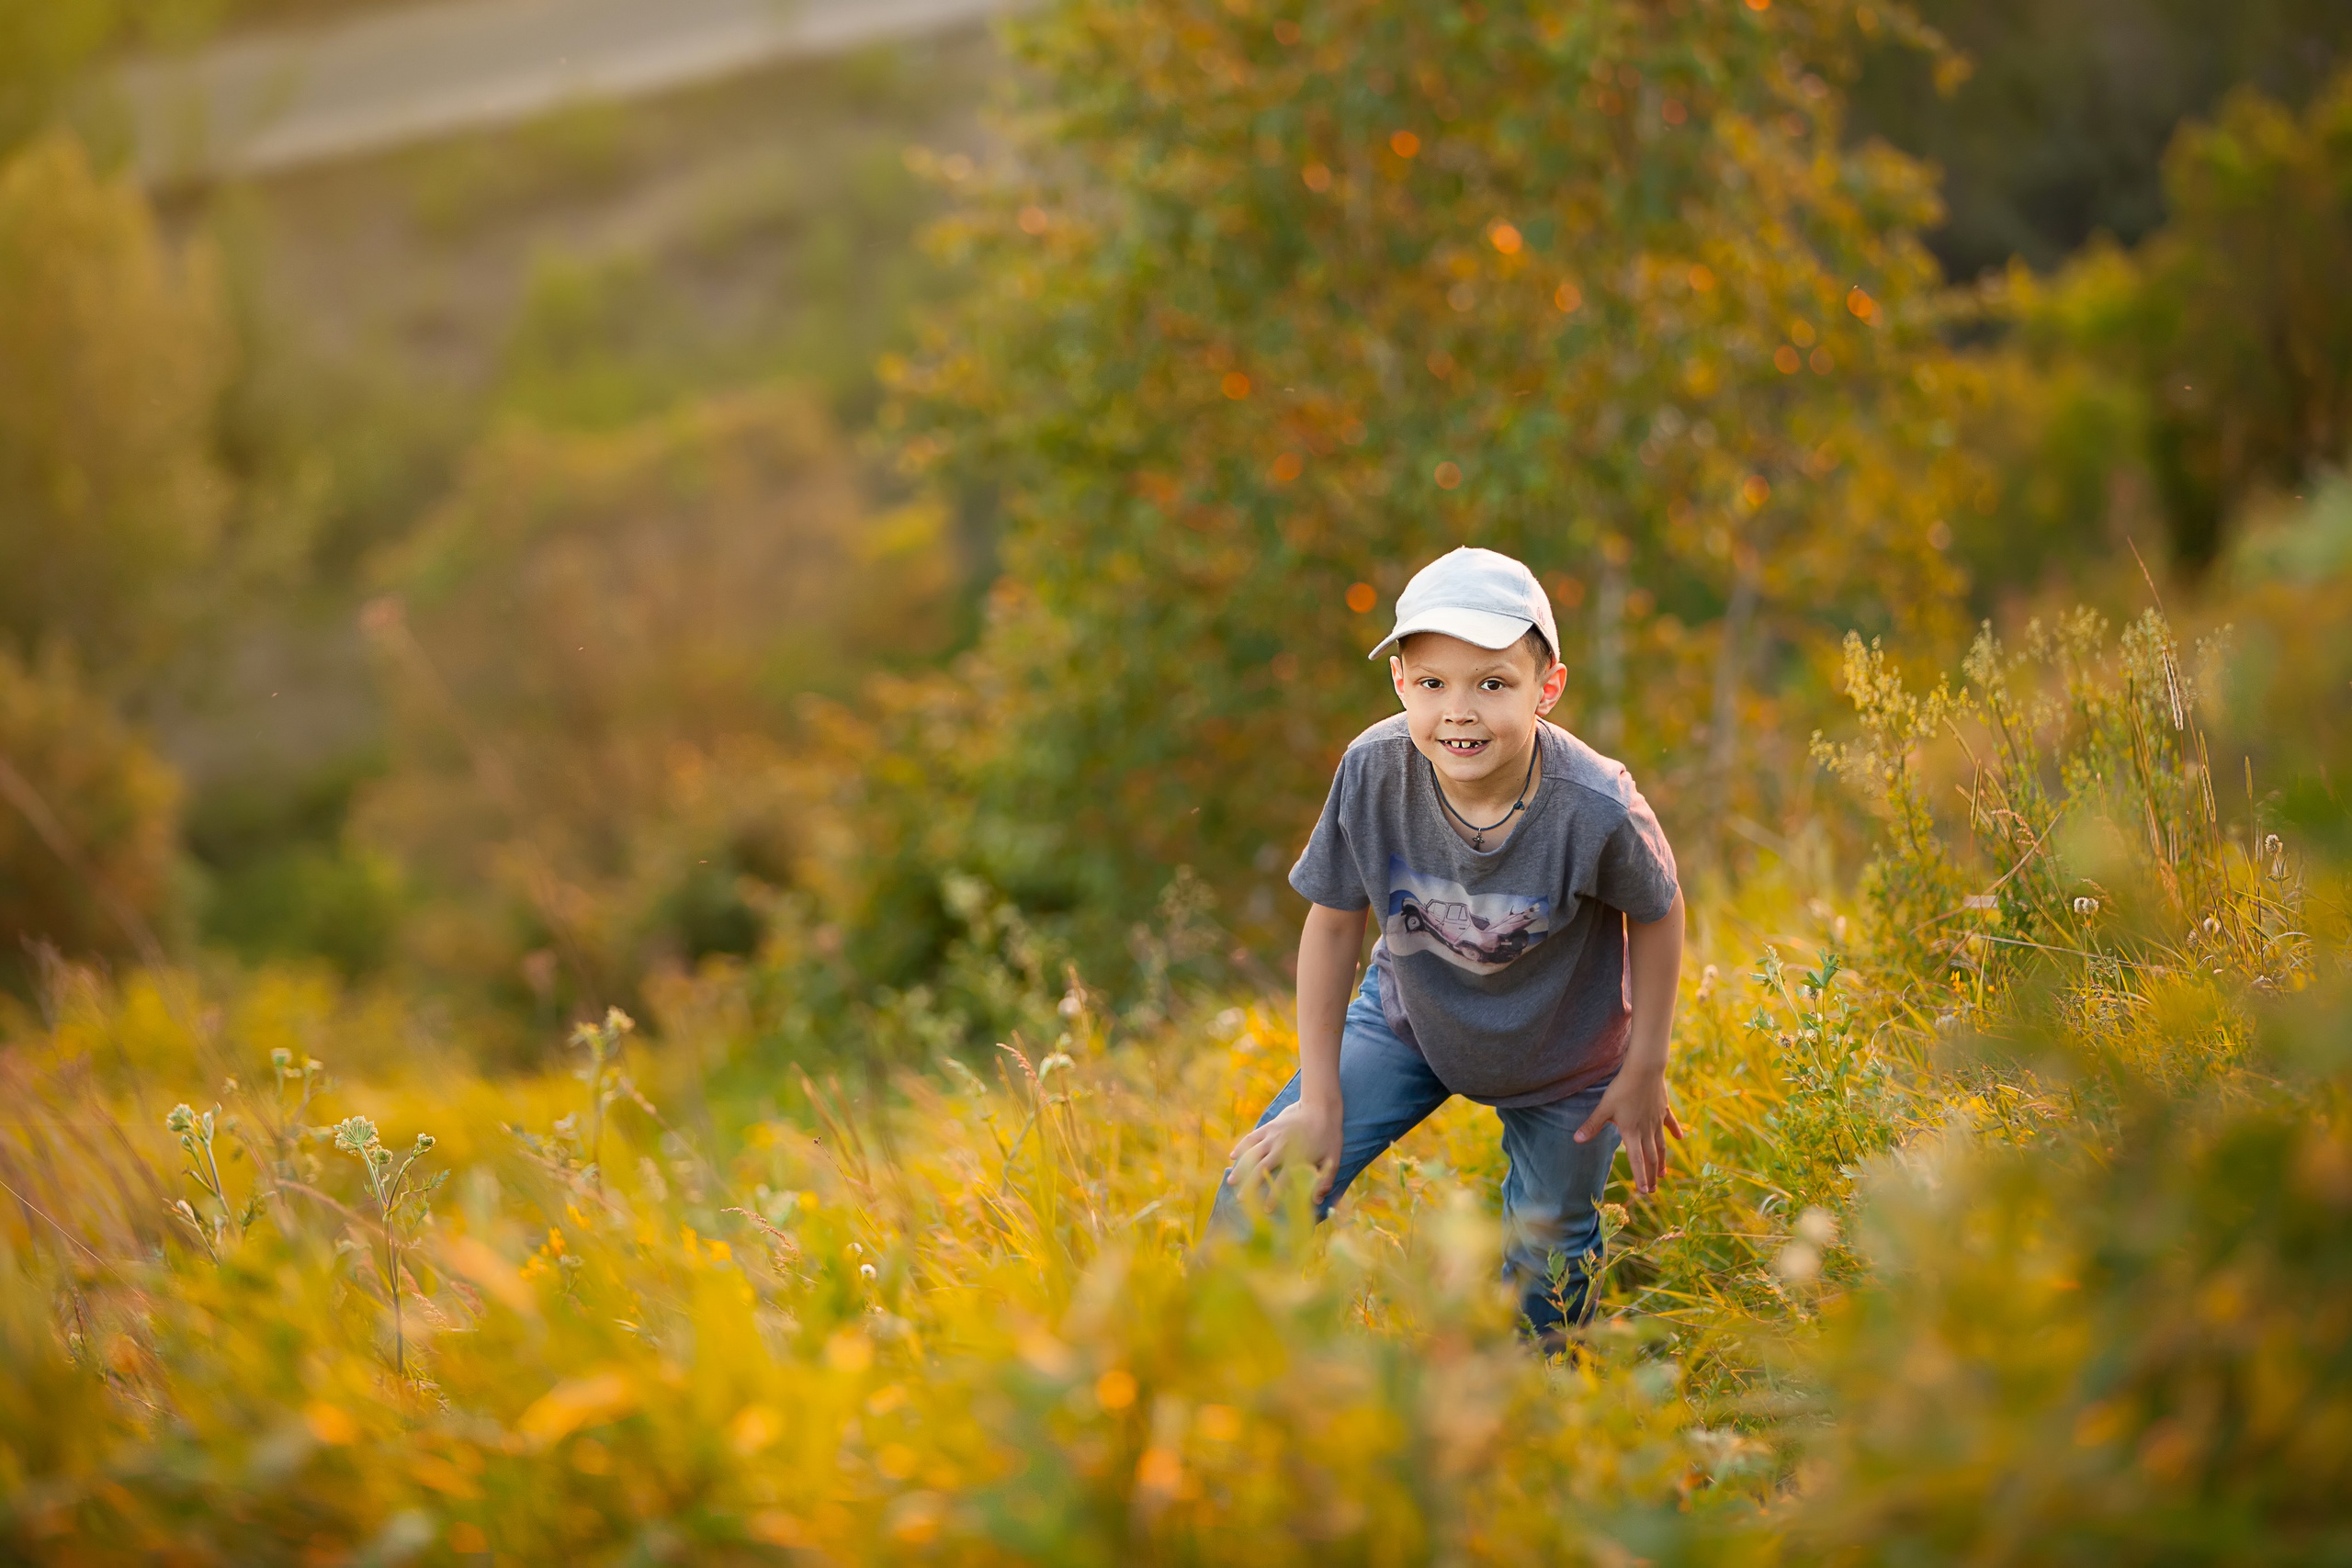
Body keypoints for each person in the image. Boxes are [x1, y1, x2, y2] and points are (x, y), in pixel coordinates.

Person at [1213, 546, 1685, 1344]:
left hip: (1566, 1058)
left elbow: (1661, 910)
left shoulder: (1596, 804)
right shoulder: (1372, 771)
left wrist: (1645, 1066)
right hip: (1411, 1022)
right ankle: (1219, 1370)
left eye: (1492, 683)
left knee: (1552, 1263)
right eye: (1432, 684)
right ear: (1401, 683)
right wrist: (1321, 1100)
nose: (1458, 711)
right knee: (1263, 1182)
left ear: (1548, 688)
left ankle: (1528, 1409)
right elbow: (1332, 922)